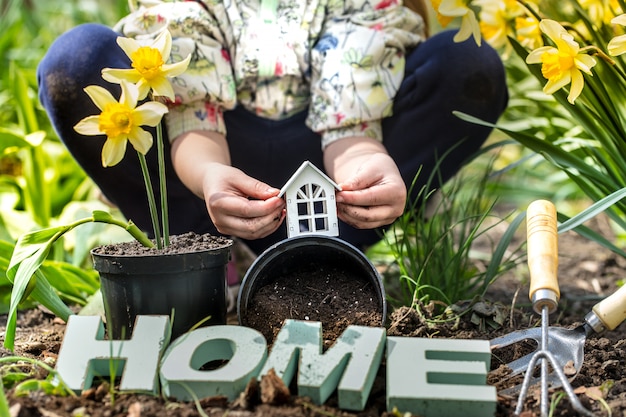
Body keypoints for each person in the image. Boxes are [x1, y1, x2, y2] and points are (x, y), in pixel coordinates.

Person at [37, 0, 508, 258]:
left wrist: (369, 164)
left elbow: (351, 110)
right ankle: (202, 251)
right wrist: (209, 180)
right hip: (207, 165)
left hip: (326, 165)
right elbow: (191, 114)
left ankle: (333, 247)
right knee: (78, 59)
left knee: (468, 63)